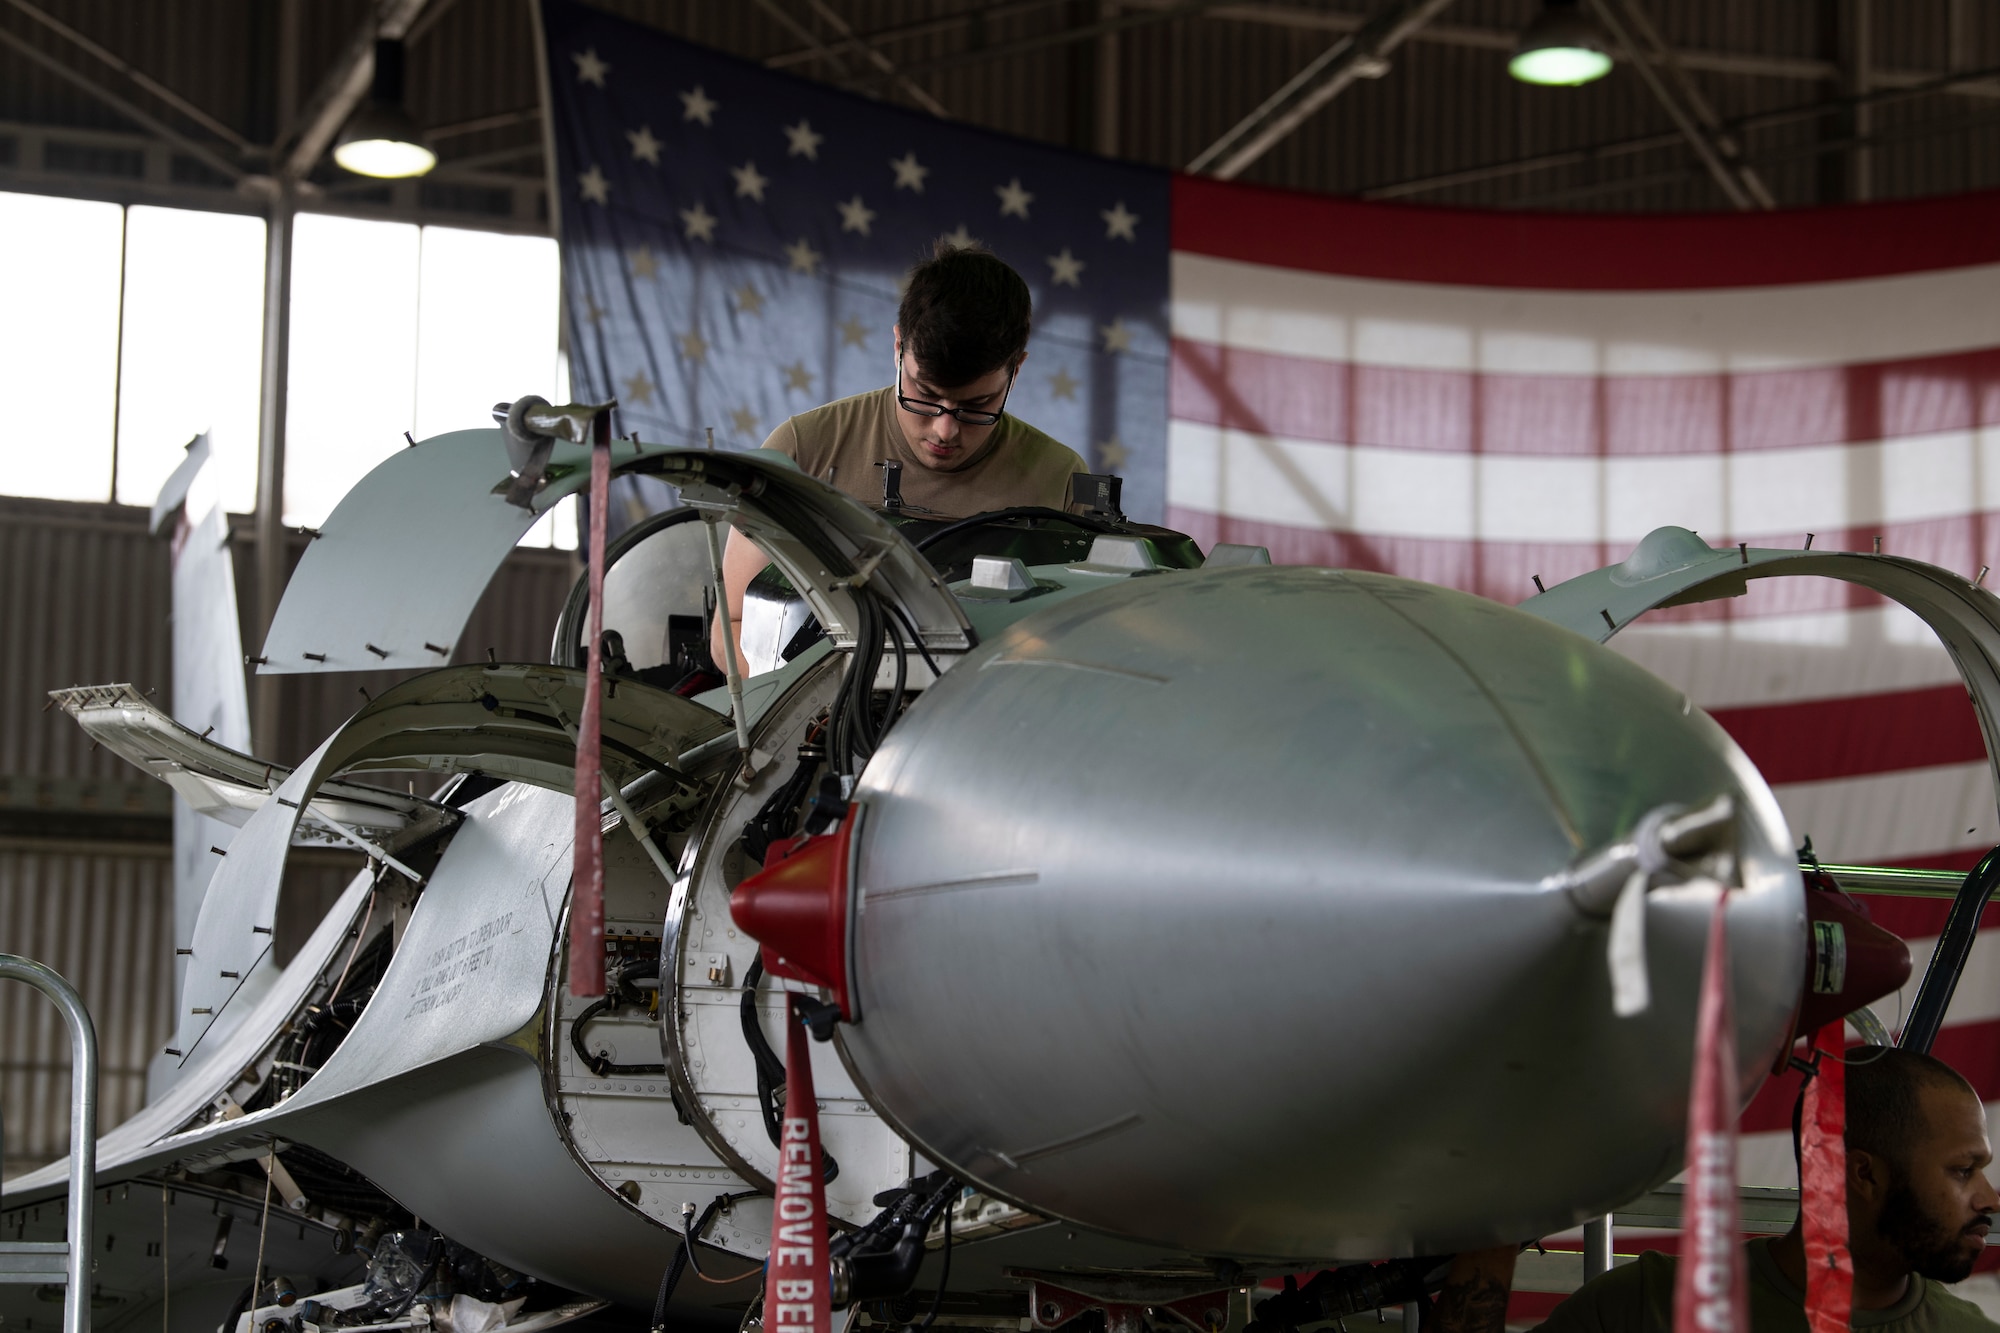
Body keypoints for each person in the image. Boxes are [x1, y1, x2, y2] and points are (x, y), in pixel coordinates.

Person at [1434, 1047, 2000, 1333]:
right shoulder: (1646, 1308)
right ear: (1863, 1175)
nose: (1990, 1199)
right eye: (1962, 1170)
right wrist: (1494, 1238)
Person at [710, 242, 1086, 670]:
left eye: (976, 405)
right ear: (898, 346)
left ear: (1016, 370)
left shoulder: (1062, 480)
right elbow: (732, 624)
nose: (945, 430)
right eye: (925, 396)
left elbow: (1076, 647)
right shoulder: (803, 449)